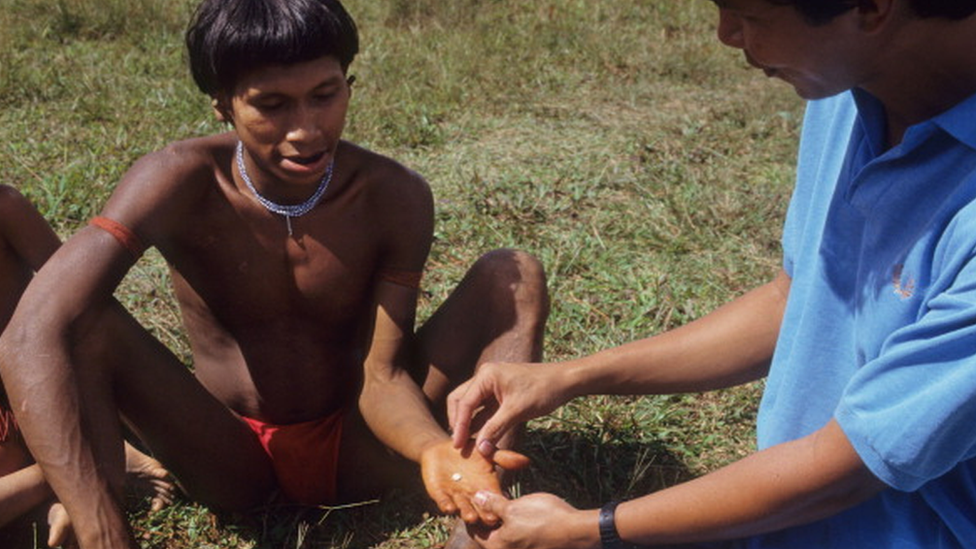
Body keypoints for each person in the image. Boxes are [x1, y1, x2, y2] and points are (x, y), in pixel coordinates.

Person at [0, 0, 549, 548]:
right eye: (272, 105)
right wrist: (96, 518)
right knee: (82, 317)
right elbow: (32, 333)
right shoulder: (178, 180)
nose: (305, 129)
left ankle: (479, 519)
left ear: (349, 85)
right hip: (227, 457)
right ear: (223, 106)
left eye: (325, 96)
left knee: (514, 275)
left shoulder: (393, 196)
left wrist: (434, 450)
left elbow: (381, 375)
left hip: (361, 444)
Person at [447, 0, 976, 547]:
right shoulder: (848, 88)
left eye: (748, 14)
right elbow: (799, 301)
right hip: (781, 518)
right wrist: (570, 376)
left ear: (870, 9)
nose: (726, 35)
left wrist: (587, 530)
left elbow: (849, 467)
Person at [0, 185, 174, 548]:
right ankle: (81, 470)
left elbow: (83, 305)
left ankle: (83, 471)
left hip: (28, 386)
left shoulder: (4, 209)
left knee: (76, 321)